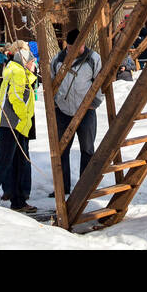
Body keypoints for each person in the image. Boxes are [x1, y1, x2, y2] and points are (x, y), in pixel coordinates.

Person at [0, 41, 37, 214]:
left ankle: (18, 200)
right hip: (10, 124)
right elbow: (15, 98)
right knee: (4, 161)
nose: (34, 65)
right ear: (25, 61)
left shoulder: (18, 71)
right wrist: (24, 118)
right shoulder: (18, 72)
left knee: (18, 163)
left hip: (14, 124)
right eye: (32, 62)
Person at [50, 29, 102, 195]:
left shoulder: (93, 58)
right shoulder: (57, 60)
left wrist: (94, 103)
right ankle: (62, 187)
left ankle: (85, 187)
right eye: (74, 46)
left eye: (81, 45)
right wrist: (55, 104)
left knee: (87, 148)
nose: (79, 49)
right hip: (63, 111)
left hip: (86, 110)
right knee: (61, 150)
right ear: (68, 45)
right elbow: (51, 82)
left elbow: (100, 81)